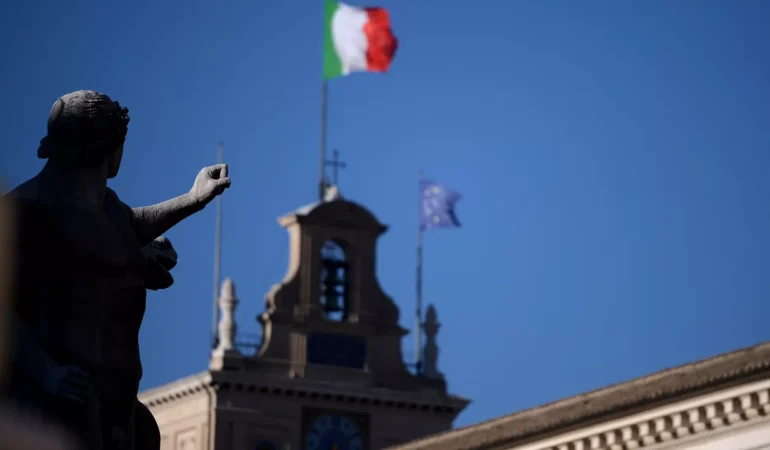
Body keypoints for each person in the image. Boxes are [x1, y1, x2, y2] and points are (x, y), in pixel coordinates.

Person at [5, 90, 231, 450]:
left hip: (120, 409)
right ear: (110, 147)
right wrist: (45, 373)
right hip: (59, 405)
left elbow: (130, 224)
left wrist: (193, 199)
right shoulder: (26, 210)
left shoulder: (107, 208)